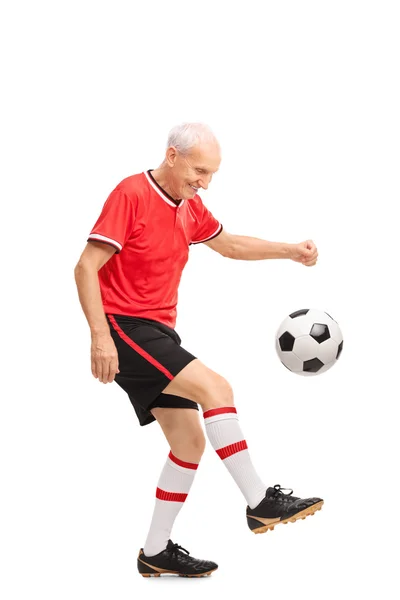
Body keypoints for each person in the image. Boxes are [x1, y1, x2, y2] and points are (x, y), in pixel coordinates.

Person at [74, 122, 323, 578]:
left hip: (159, 333)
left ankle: (155, 551)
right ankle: (260, 500)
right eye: (199, 171)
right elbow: (86, 265)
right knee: (217, 388)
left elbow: (229, 245)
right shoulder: (130, 193)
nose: (204, 183)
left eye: (211, 175)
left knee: (188, 443)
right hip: (125, 327)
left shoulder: (190, 207)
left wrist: (290, 250)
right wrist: (99, 336)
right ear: (172, 155)